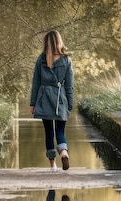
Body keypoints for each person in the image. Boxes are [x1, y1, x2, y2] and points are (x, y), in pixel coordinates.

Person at [30, 30, 74, 171]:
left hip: (44, 99)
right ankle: (64, 153)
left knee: (49, 132)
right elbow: (69, 86)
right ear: (59, 41)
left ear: (46, 43)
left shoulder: (41, 59)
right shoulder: (66, 60)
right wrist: (70, 104)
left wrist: (33, 103)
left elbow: (36, 82)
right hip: (61, 100)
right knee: (60, 131)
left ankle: (53, 165)